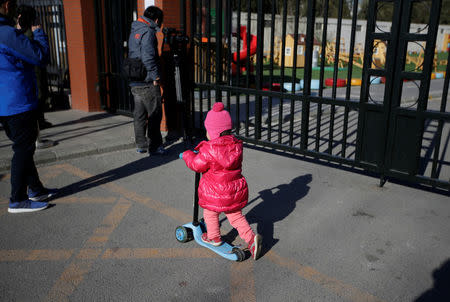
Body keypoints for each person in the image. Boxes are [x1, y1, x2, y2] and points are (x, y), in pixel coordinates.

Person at [180, 102, 262, 260]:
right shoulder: (236, 146)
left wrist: (187, 155)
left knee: (210, 213)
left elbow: (197, 165)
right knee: (236, 216)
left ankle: (214, 238)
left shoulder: (209, 149)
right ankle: (251, 239)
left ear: (213, 132)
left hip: (215, 193)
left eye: (208, 131)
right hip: (233, 190)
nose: (207, 134)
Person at [0, 0, 57, 213]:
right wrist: (38, 30)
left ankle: (36, 189)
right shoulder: (6, 34)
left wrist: (18, 31)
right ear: (6, 5)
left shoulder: (6, 33)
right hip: (18, 103)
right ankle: (17, 199)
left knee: (24, 147)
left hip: (5, 104)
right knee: (23, 150)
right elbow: (40, 56)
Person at [127, 5, 167, 155]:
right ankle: (155, 145)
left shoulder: (135, 28)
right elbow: (148, 57)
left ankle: (141, 145)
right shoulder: (148, 32)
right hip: (147, 80)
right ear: (156, 19)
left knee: (139, 114)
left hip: (135, 77)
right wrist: (155, 76)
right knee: (155, 113)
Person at [16, 4, 54, 149]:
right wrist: (38, 30)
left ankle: (37, 130)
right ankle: (36, 137)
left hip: (27, 78)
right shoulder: (23, 34)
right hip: (31, 76)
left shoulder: (14, 32)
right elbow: (42, 55)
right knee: (37, 98)